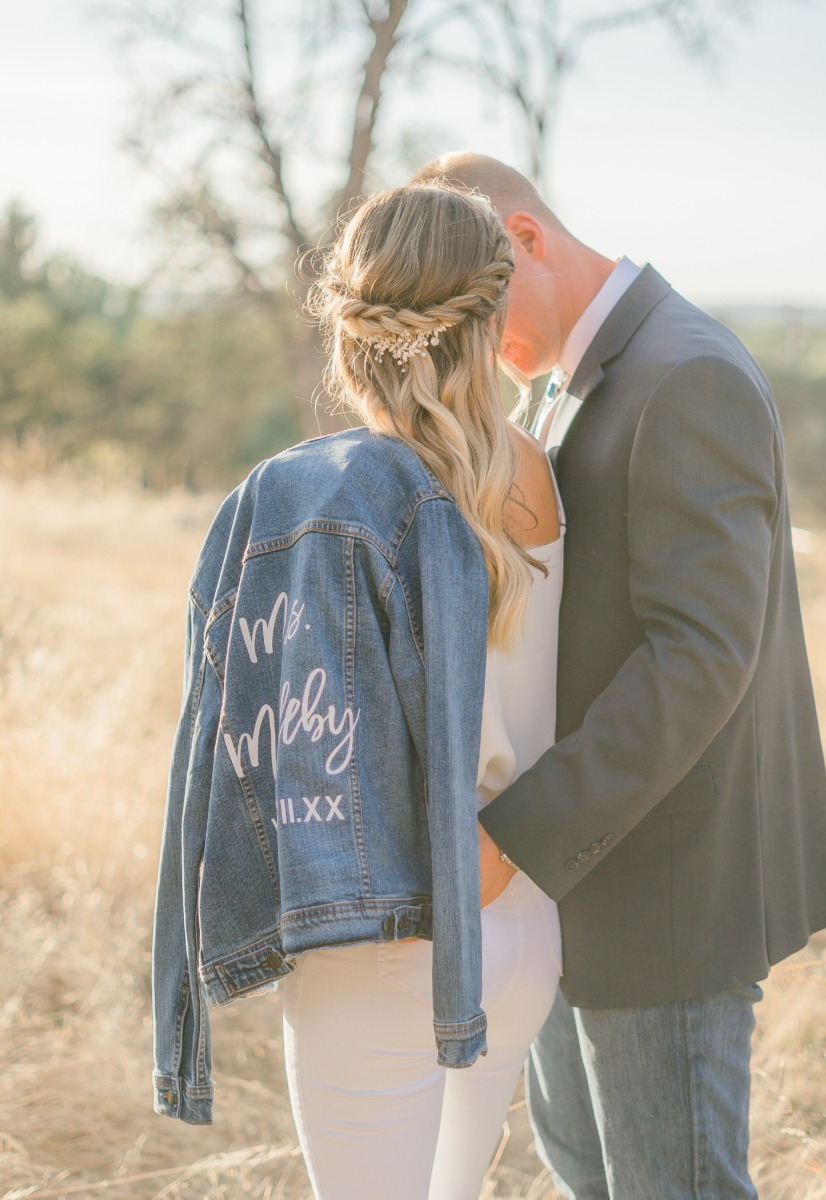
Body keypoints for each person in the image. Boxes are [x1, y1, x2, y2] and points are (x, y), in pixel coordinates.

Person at [411, 153, 826, 1200]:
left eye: (476, 307)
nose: (471, 342)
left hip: (665, 899)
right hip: (581, 884)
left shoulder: (685, 372)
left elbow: (700, 657)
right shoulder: (573, 380)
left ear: (524, 238)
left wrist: (509, 840)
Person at [151, 182, 565, 1199]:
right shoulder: (536, 479)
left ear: (346, 325)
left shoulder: (315, 495)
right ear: (490, 316)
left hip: (391, 941)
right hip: (517, 925)